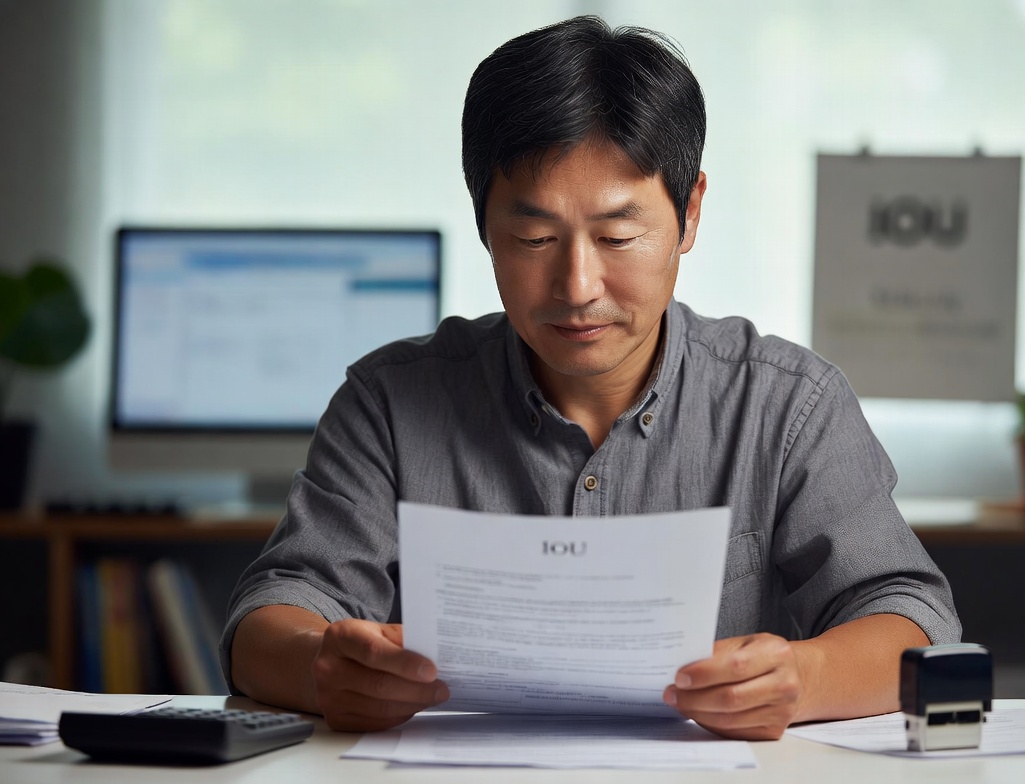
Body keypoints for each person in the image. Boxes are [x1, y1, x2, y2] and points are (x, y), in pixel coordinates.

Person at [221, 15, 960, 741]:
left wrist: (805, 677)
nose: (576, 285)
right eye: (534, 237)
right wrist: (323, 666)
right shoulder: (390, 402)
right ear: (484, 225)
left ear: (690, 213)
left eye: (617, 236)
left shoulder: (787, 405)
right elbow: (275, 610)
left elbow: (910, 615)